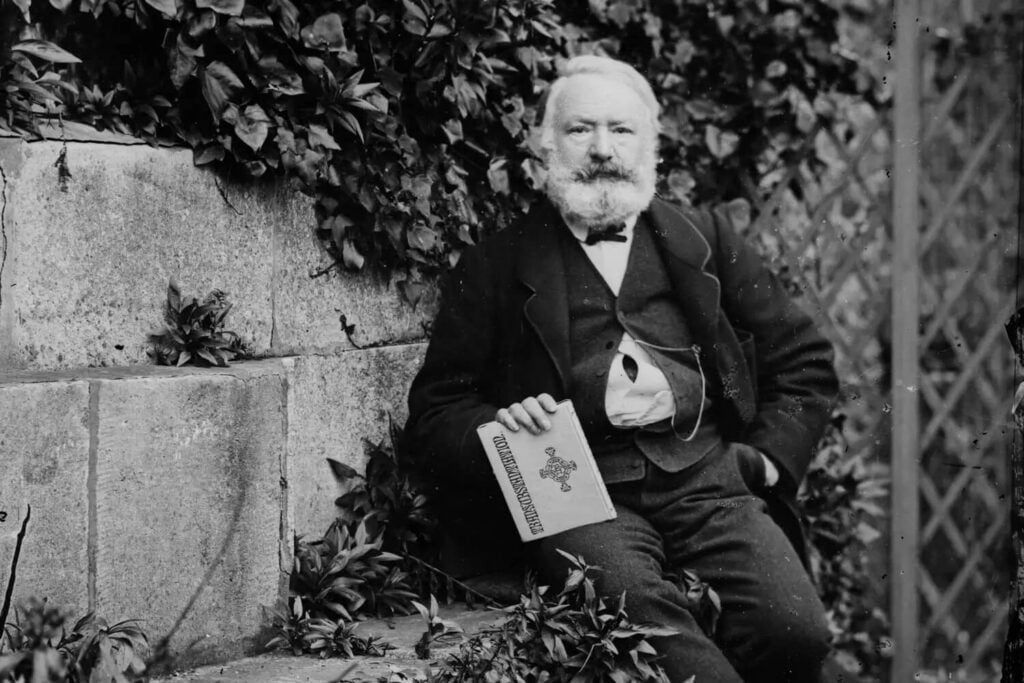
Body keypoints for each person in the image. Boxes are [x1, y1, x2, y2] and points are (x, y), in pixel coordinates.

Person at [404, 55, 839, 682]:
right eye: (580, 130)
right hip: (578, 495)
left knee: (796, 632)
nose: (602, 149)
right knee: (662, 640)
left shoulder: (705, 239)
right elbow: (438, 410)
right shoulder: (495, 264)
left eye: (622, 130)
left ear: (652, 147)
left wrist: (766, 460)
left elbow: (804, 361)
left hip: (708, 481)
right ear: (545, 147)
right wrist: (502, 428)